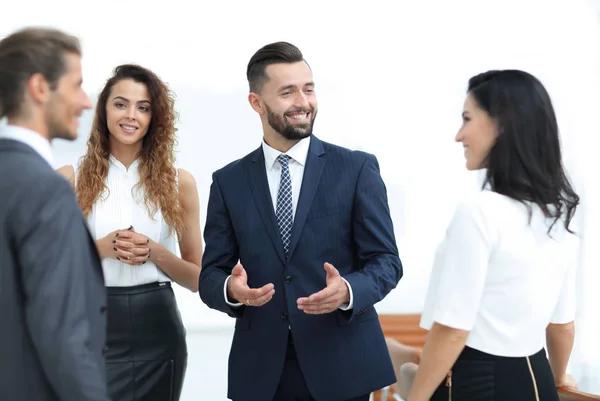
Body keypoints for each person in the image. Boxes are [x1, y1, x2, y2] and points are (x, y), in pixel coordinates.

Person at [199, 41, 403, 401]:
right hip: (262, 370)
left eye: (308, 89)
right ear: (256, 103)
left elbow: (386, 263)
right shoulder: (227, 182)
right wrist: (232, 290)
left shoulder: (357, 169)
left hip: (342, 364)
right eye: (287, 92)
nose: (303, 102)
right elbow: (210, 274)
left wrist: (348, 291)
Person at [405, 70, 580, 401]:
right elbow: (562, 326)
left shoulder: (479, 211)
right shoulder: (556, 215)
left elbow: (452, 330)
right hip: (538, 382)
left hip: (476, 382)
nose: (459, 135)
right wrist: (559, 377)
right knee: (402, 365)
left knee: (405, 372)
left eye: (467, 118)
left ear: (502, 124)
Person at [57, 64, 203, 401]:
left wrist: (155, 251)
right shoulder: (69, 179)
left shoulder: (181, 183)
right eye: (121, 104)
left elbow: (198, 279)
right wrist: (101, 249)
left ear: (155, 117)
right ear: (103, 109)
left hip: (158, 330)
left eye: (143, 107)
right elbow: (48, 267)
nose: (131, 115)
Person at [0, 27, 109, 401]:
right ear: (40, 88)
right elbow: (62, 332)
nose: (84, 101)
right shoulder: (46, 190)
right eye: (76, 85)